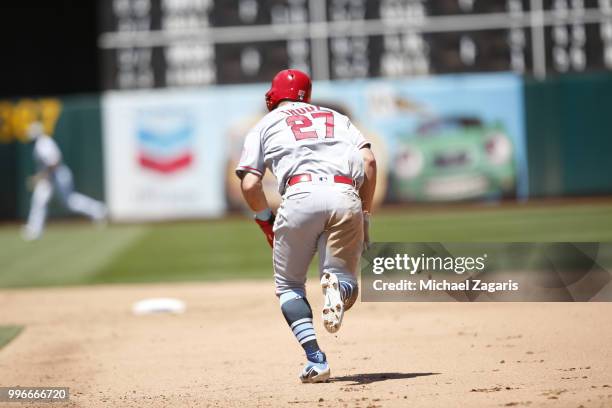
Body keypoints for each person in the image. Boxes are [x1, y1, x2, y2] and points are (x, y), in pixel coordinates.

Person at [236, 69, 377, 383]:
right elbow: (368, 162)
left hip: (300, 196)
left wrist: (265, 221)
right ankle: (338, 288)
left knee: (289, 287)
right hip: (345, 194)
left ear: (273, 96)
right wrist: (364, 216)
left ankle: (317, 360)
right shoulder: (336, 117)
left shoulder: (264, 124)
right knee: (345, 281)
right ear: (307, 95)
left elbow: (249, 184)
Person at [22, 122, 107, 241]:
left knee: (70, 202)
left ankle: (98, 209)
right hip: (51, 177)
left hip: (57, 176)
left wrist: (40, 177)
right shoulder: (41, 143)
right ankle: (35, 229)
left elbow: (54, 162)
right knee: (39, 200)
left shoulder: (43, 144)